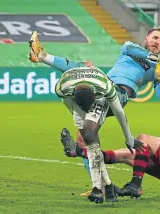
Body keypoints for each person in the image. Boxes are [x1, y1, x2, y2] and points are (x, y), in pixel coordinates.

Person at [28, 28, 160, 195]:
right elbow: (130, 49)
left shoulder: (158, 69)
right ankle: (100, 187)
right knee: (83, 138)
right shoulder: (130, 48)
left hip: (117, 95)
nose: (157, 42)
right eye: (155, 38)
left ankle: (42, 56)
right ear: (146, 38)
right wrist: (158, 59)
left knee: (86, 74)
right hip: (105, 86)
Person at [54, 66, 146, 203]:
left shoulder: (105, 87)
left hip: (99, 99)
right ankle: (108, 187)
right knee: (89, 140)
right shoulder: (62, 88)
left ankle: (97, 188)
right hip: (75, 100)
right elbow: (68, 104)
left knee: (90, 136)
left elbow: (119, 112)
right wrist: (79, 118)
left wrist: (129, 138)